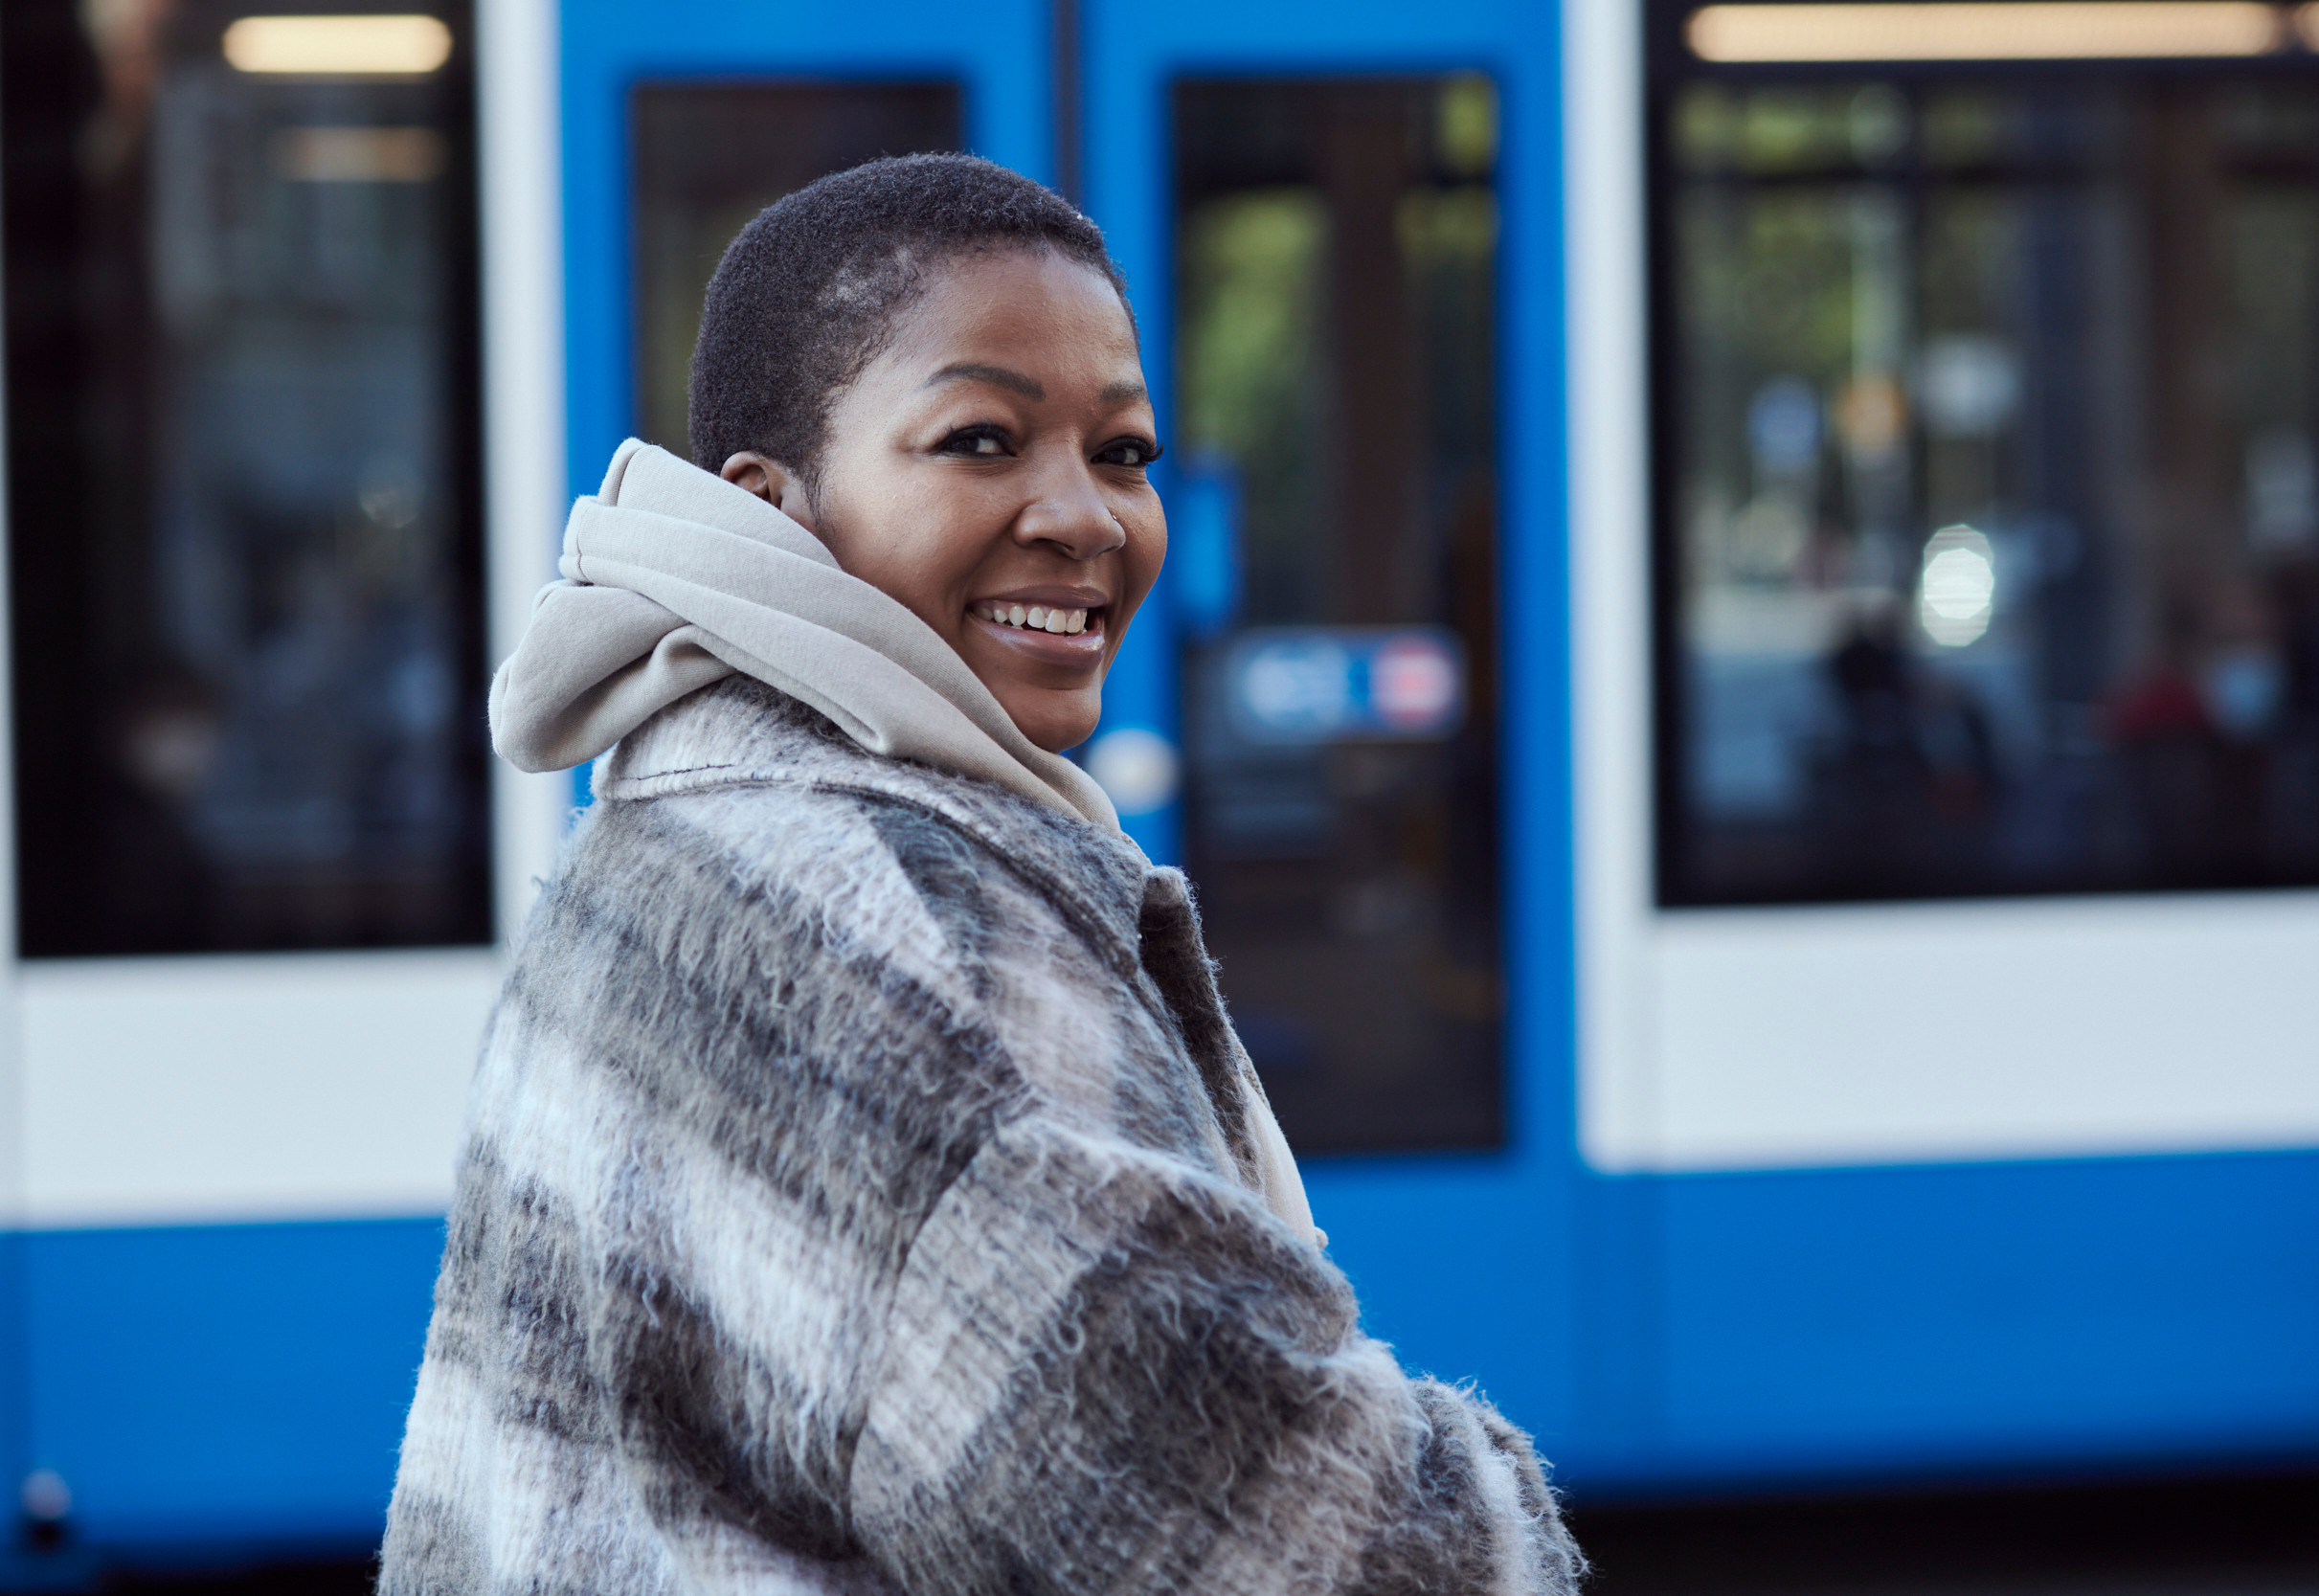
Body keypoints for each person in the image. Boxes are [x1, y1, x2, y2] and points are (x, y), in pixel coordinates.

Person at [378, 153, 1583, 1595]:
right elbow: (1272, 1540)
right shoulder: (895, 912)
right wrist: (1505, 1539)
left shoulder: (686, 819)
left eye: (1123, 452)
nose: (1085, 517)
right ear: (776, 503)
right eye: (980, 440)